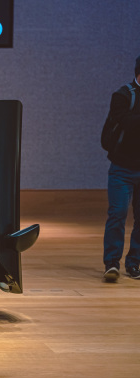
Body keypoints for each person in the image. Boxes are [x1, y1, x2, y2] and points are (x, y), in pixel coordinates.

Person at [102, 54, 140, 281]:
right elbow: (126, 122)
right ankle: (111, 263)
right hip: (122, 168)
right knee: (117, 214)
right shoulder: (123, 95)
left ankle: (134, 263)